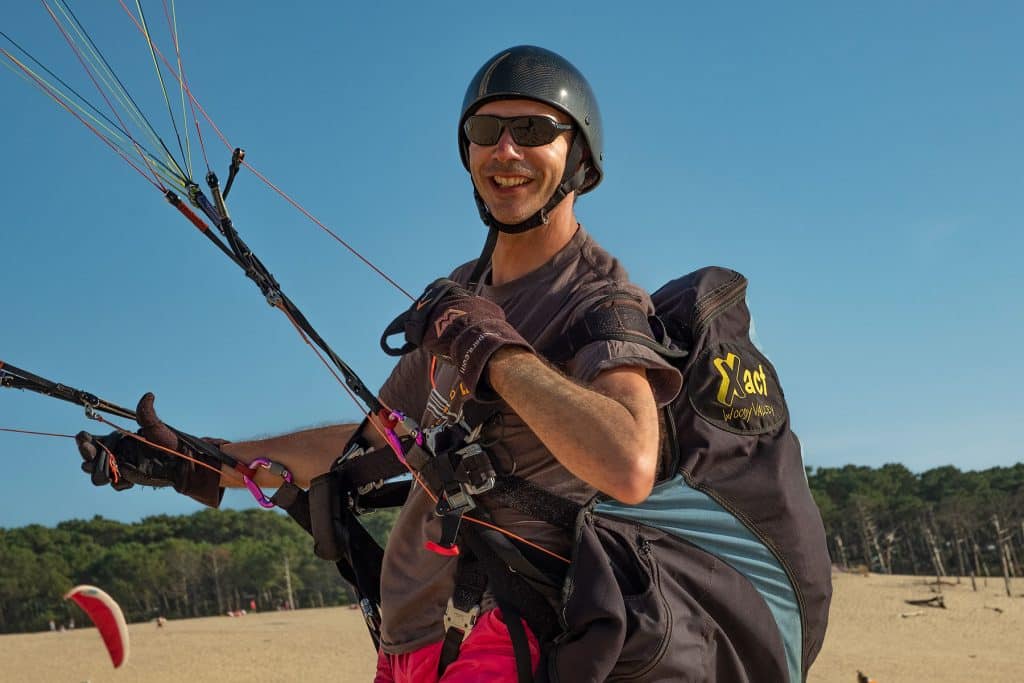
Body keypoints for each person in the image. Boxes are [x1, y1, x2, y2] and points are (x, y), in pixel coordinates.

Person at [76, 45, 681, 682]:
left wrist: (491, 351)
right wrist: (193, 462)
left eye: (532, 130)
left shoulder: (599, 298)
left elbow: (629, 462)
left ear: (579, 155)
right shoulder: (463, 293)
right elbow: (373, 442)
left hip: (506, 637)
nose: (505, 150)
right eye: (485, 130)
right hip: (408, 639)